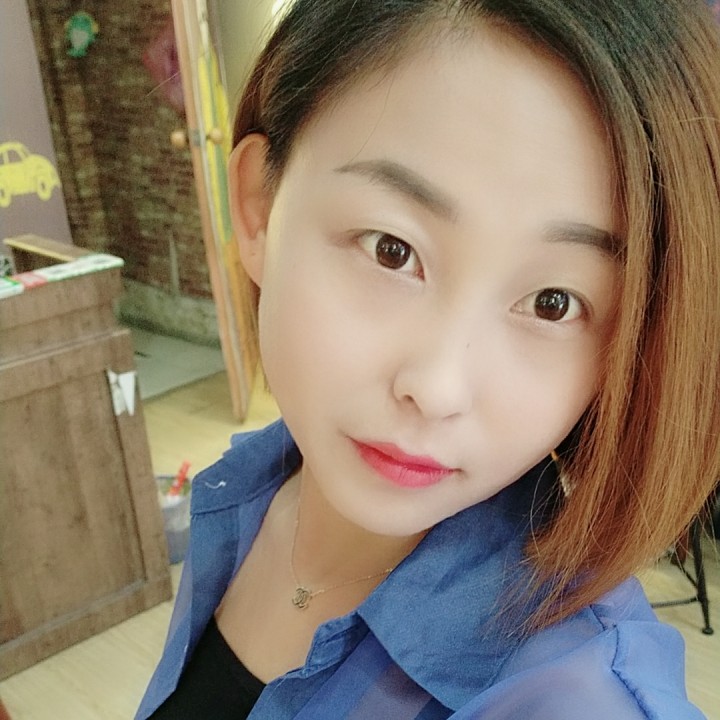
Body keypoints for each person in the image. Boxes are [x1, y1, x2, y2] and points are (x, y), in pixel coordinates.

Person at [137, 1, 720, 718]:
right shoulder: (251, 492)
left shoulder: (575, 697)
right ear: (261, 206)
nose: (438, 387)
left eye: (553, 303)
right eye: (392, 250)